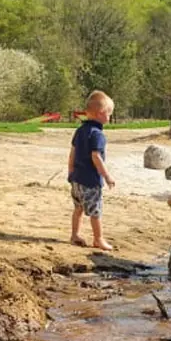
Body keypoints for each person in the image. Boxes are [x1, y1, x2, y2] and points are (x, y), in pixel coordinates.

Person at [68, 90, 116, 251]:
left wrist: (70, 171)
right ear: (101, 114)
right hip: (90, 180)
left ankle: (75, 235)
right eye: (109, 113)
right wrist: (107, 176)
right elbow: (96, 156)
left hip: (76, 178)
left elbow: (73, 152)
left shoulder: (80, 130)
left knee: (78, 208)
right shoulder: (98, 134)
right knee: (96, 211)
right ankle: (98, 239)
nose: (109, 117)